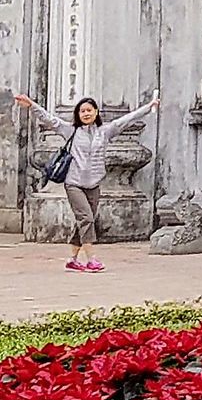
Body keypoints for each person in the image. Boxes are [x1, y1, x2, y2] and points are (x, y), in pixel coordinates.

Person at [14, 92, 159, 272]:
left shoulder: (105, 131)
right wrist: (31, 104)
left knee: (83, 222)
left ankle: (73, 259)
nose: (86, 114)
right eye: (82, 111)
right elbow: (49, 118)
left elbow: (126, 120)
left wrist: (149, 106)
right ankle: (92, 259)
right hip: (74, 183)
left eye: (89, 110)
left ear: (96, 112)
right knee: (87, 219)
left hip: (94, 184)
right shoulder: (71, 130)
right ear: (78, 114)